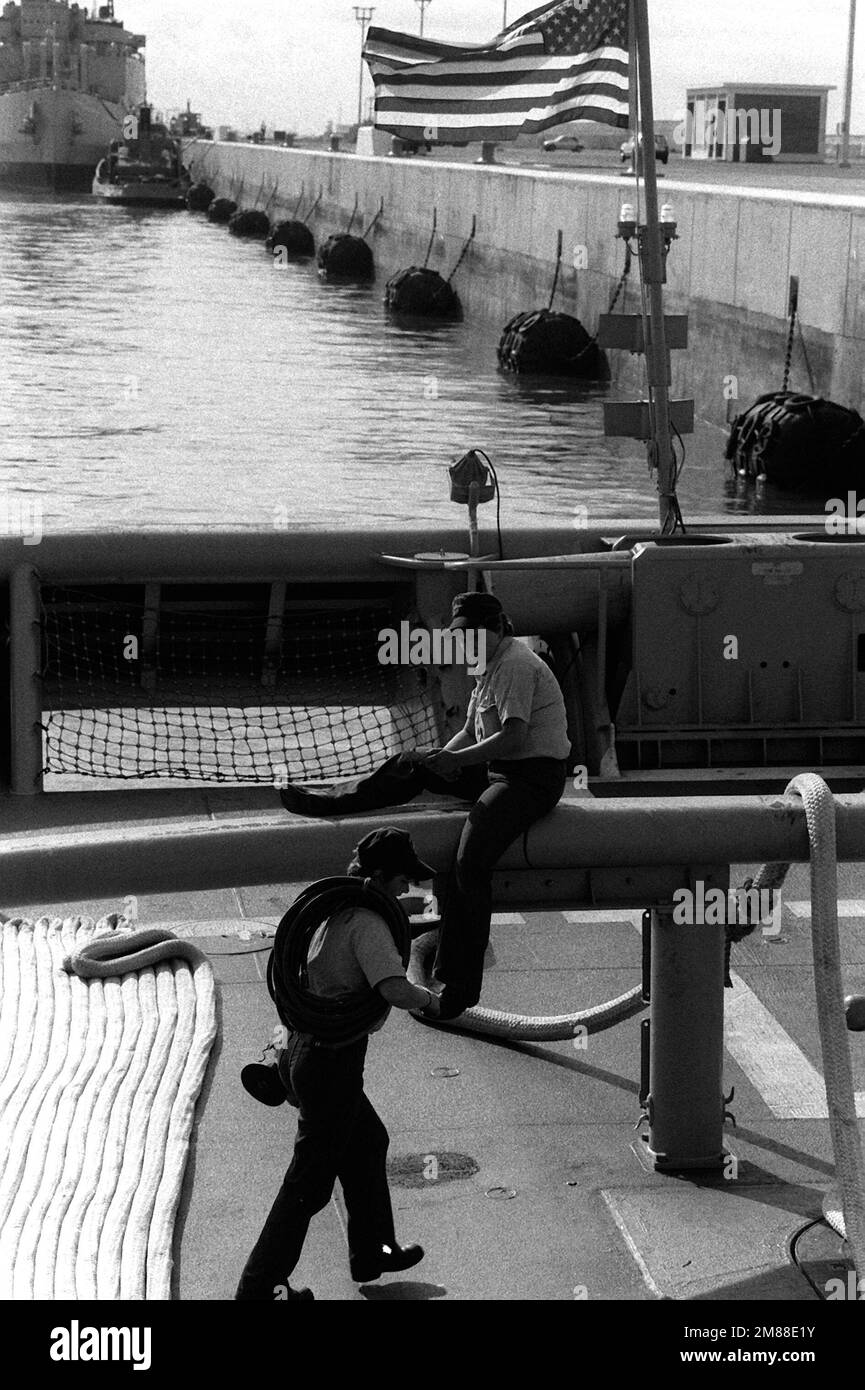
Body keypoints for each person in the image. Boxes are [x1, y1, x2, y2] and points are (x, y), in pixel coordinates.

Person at [279, 592, 571, 1020]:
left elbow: (514, 737)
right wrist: (440, 759)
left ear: (496, 629)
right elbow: (472, 729)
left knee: (470, 864)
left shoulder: (515, 664)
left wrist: (455, 762)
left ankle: (459, 985)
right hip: (497, 767)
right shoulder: (487, 666)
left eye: (471, 633)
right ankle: (330, 802)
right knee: (410, 763)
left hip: (531, 778)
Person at [235, 828, 440, 1302]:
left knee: (368, 1140)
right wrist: (431, 1000)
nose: (407, 889)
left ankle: (373, 1251)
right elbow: (392, 988)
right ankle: (259, 1286)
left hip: (312, 1053)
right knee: (307, 1185)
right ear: (384, 876)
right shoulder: (368, 922)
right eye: (403, 879)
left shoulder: (331, 913)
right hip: (331, 1062)